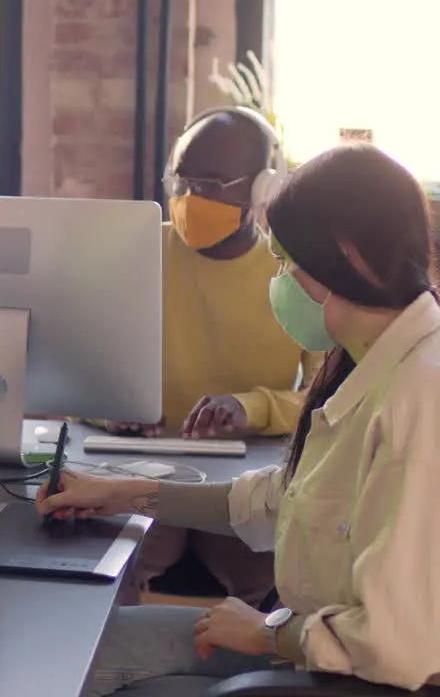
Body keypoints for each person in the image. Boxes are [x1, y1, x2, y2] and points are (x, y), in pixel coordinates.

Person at [40, 143, 440, 694]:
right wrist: (120, 492)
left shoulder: (422, 397)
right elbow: (273, 501)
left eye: (284, 262)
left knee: (63, 670)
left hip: (340, 673)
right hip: (307, 651)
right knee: (68, 643)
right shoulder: (372, 365)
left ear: (344, 255)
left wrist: (269, 636)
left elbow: (400, 642)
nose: (277, 280)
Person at [107, 107, 324, 607]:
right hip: (146, 461)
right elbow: (83, 361)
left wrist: (253, 407)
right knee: (104, 562)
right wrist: (108, 406)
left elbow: (324, 398)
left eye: (207, 183)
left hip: (244, 470)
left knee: (272, 572)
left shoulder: (295, 277)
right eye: (178, 180)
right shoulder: (134, 253)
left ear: (260, 191)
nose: (186, 198)